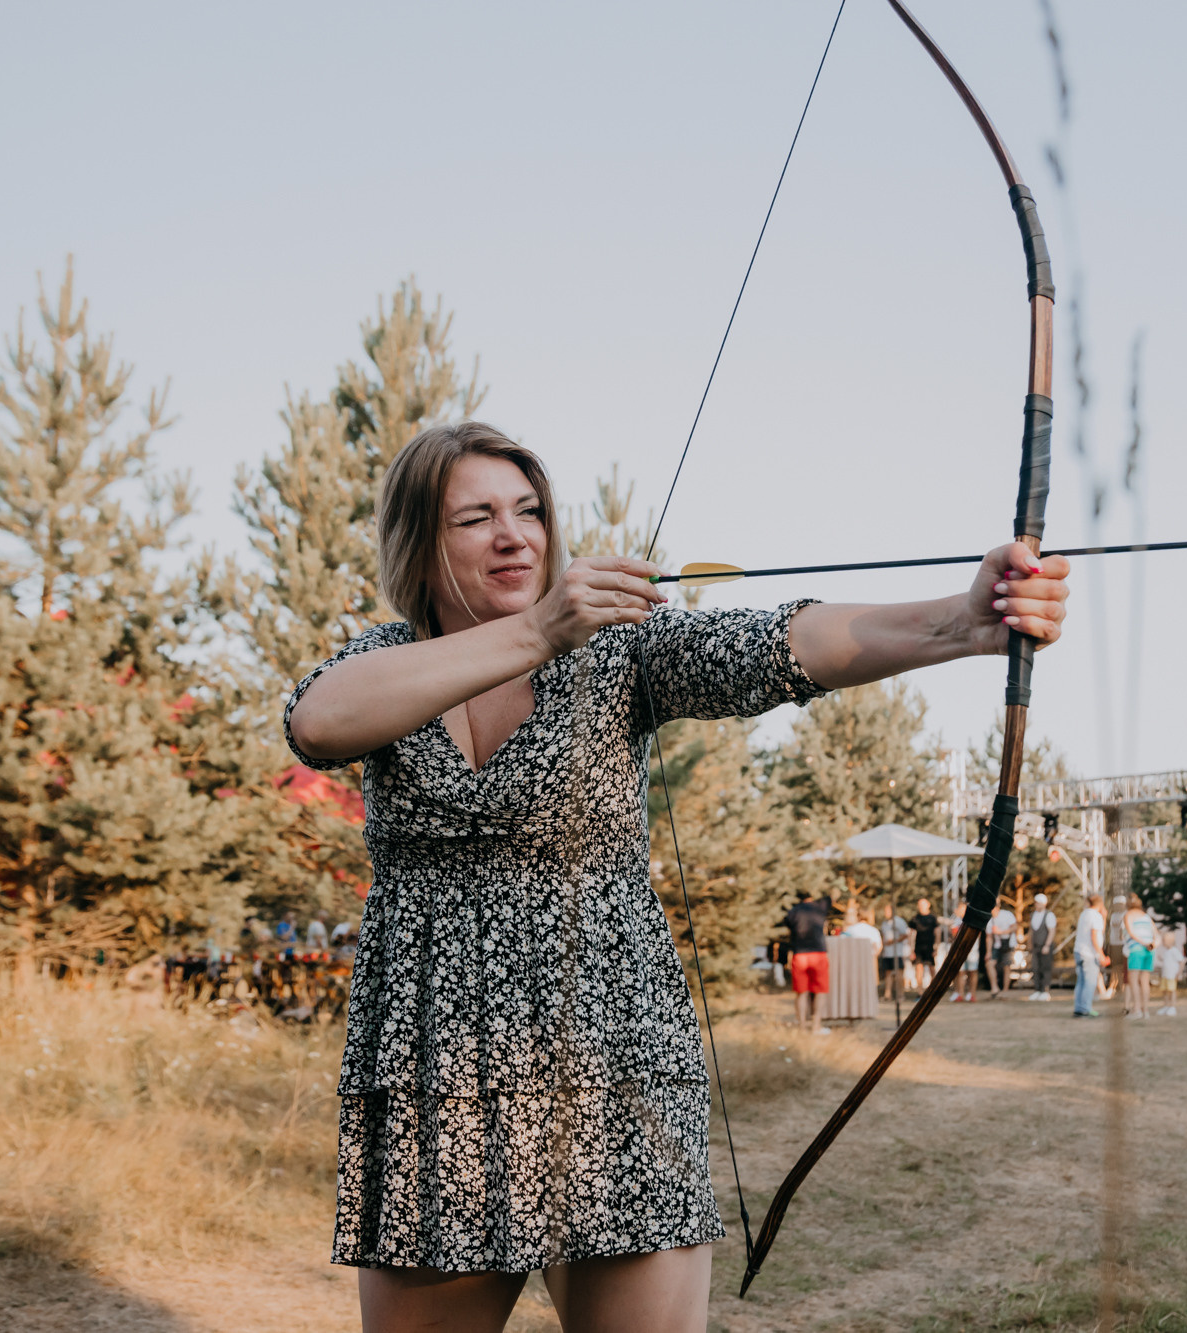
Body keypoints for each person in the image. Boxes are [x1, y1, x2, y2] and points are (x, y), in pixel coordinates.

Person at [281, 421, 1070, 1332]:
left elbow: (782, 645)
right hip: (435, 1072)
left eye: (530, 510)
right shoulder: (383, 662)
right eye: (478, 517)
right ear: (421, 544)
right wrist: (540, 629)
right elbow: (316, 722)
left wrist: (959, 622)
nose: (516, 534)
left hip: (617, 1061)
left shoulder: (618, 652)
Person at [782, 890, 834, 1035]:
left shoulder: (793, 911)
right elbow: (830, 894)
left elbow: (787, 925)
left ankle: (802, 1027)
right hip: (819, 954)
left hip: (800, 954)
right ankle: (816, 1026)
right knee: (820, 992)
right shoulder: (820, 906)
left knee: (801, 993)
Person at [1073, 889, 1107, 1018]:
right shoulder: (1095, 916)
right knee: (1090, 982)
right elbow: (1095, 935)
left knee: (1081, 981)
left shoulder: (1084, 914)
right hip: (1089, 953)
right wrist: (1101, 954)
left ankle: (1078, 1007)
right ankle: (1085, 1008)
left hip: (1078, 951)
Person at [1123, 894, 1157, 1018]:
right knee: (1144, 981)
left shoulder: (1128, 915)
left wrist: (1144, 943)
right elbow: (1156, 935)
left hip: (1136, 950)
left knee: (1133, 980)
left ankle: (1136, 1010)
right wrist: (1152, 944)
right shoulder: (1146, 917)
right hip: (1149, 951)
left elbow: (1131, 933)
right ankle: (1145, 1011)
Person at [908, 896, 943, 996]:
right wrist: (911, 950)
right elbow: (911, 934)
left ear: (928, 905)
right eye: (919, 905)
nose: (921, 907)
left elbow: (938, 933)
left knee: (932, 968)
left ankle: (934, 990)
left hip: (929, 947)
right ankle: (920, 992)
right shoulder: (915, 919)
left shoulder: (932, 918)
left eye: (923, 904)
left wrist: (936, 947)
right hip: (918, 948)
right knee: (919, 969)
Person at [878, 900, 910, 1005]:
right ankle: (888, 994)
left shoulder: (899, 921)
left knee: (899, 973)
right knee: (888, 973)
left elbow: (905, 934)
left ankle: (901, 994)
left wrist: (894, 941)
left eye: (887, 911)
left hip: (897, 952)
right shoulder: (884, 923)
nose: (885, 913)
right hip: (887, 953)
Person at [1026, 893, 1057, 1001]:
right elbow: (1031, 931)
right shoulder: (1033, 915)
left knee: (1045, 968)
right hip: (1035, 946)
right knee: (1035, 968)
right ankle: (1037, 990)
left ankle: (1045, 990)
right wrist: (1029, 943)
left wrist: (1047, 945)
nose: (1036, 905)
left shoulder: (1049, 915)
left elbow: (1051, 931)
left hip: (1045, 946)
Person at [985, 899, 1017, 998]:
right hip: (997, 944)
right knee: (989, 964)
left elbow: (1014, 927)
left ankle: (1005, 991)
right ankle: (995, 988)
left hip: (1009, 943)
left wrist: (1002, 932)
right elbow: (989, 937)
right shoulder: (990, 920)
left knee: (1006, 967)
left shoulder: (1006, 915)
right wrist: (988, 952)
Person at [1153, 925, 1182, 1016]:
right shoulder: (1166, 951)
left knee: (1172, 991)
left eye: (1164, 941)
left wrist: (1179, 973)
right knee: (1164, 991)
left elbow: (1181, 961)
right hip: (1165, 975)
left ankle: (1172, 1007)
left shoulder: (1175, 951)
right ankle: (1166, 1006)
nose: (1163, 943)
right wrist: (1161, 959)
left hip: (1171, 975)